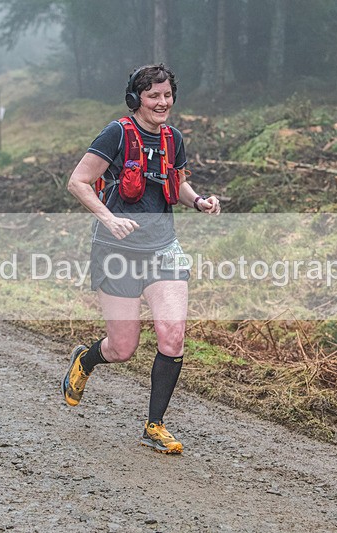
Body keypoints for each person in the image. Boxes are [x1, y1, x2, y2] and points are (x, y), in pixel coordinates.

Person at [63, 64, 220, 454]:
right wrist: (109, 218)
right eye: (153, 96)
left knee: (173, 335)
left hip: (163, 247)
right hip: (116, 251)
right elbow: (78, 182)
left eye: (167, 95)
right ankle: (87, 359)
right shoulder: (117, 133)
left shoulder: (173, 138)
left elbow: (176, 184)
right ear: (136, 99)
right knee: (122, 348)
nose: (162, 103)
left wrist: (199, 201)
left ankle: (155, 425)